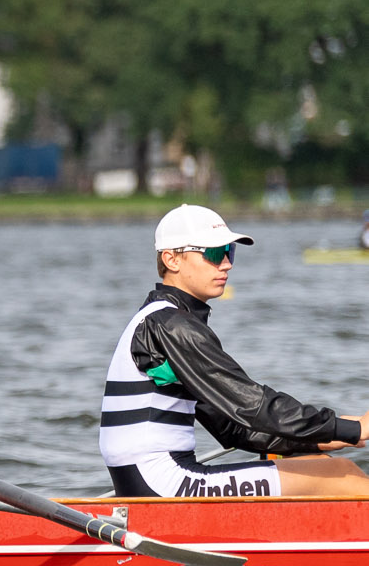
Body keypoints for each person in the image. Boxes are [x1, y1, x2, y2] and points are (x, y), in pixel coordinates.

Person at [99, 204, 369, 497]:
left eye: (229, 252)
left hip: (148, 482)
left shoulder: (161, 318)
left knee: (319, 463)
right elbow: (253, 406)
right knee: (343, 475)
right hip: (166, 483)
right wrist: (350, 429)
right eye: (214, 254)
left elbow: (234, 429)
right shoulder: (172, 325)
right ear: (171, 259)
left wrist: (318, 440)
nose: (226, 264)